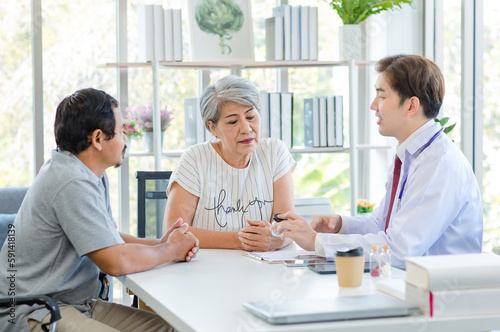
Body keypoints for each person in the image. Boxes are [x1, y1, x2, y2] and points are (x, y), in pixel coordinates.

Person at [0, 88, 199, 332]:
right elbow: (114, 262)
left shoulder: (89, 173)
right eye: (121, 131)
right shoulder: (70, 181)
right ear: (98, 139)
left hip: (73, 304)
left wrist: (160, 243)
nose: (125, 139)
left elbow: (109, 239)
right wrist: (171, 250)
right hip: (33, 309)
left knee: (173, 328)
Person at [273, 55, 483, 269]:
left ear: (411, 106)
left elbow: (400, 250)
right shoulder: (412, 154)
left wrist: (316, 241)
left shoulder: (439, 165)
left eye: (381, 96)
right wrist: (340, 225)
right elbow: (381, 223)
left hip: (436, 296)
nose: (374, 105)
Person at [163, 75, 296, 251]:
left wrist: (277, 239)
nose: (247, 128)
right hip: (204, 271)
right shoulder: (195, 159)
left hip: (264, 269)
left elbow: (287, 225)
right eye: (233, 121)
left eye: (250, 116)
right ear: (213, 128)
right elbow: (173, 232)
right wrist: (240, 240)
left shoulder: (275, 152)